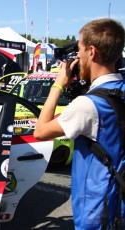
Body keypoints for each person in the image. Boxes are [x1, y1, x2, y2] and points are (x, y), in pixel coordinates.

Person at [34, 18, 125, 229]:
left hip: (96, 210)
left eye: (80, 49)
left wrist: (57, 85)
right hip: (118, 203)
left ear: (92, 52)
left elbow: (40, 131)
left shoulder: (88, 105)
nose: (78, 57)